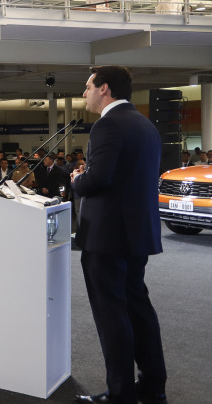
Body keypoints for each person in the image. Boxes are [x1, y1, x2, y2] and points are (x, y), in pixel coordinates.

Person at [70, 66, 167, 404]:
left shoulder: (107, 124)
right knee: (138, 309)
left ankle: (120, 394)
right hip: (137, 235)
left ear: (105, 88)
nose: (84, 93)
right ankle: (153, 386)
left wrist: (75, 180)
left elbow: (99, 180)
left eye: (88, 87)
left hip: (107, 238)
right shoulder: (145, 124)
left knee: (112, 315)